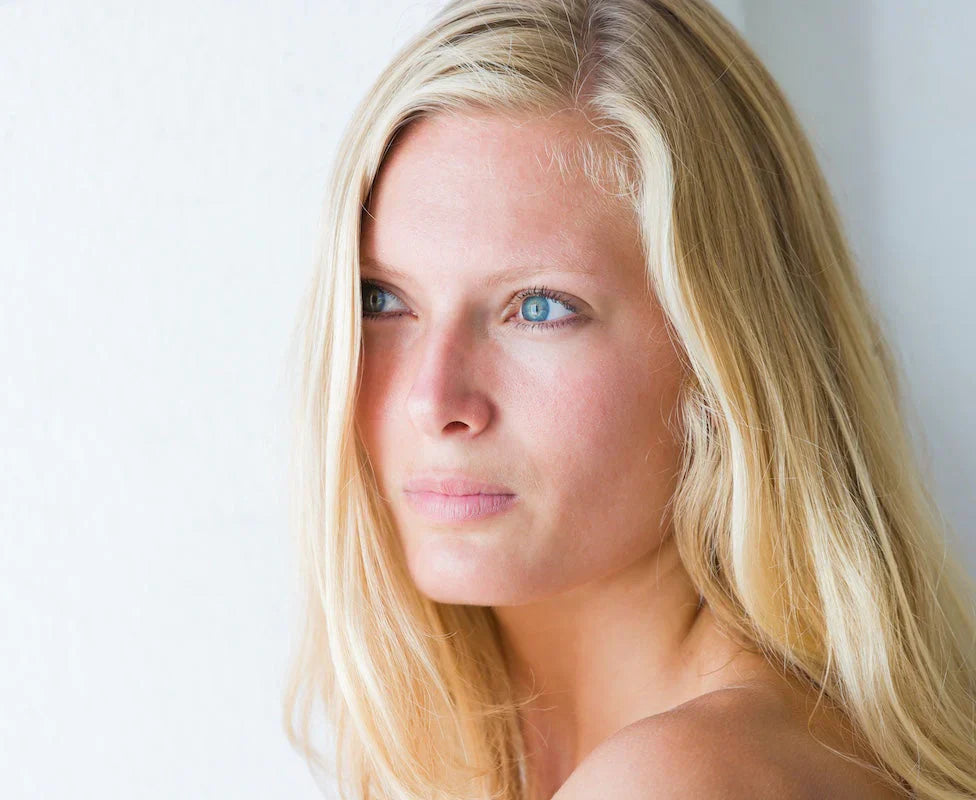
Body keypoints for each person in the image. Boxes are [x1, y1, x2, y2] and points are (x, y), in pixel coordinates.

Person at [280, 1, 976, 798]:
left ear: (723, 359)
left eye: (538, 307)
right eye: (382, 300)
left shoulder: (678, 779)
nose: (433, 399)